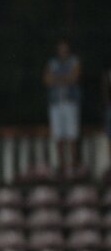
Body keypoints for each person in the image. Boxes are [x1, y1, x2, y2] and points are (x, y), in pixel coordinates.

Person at [43, 38, 82, 174]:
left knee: (72, 134)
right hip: (56, 103)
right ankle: (61, 166)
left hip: (70, 102)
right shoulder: (52, 62)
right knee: (58, 135)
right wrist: (65, 77)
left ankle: (74, 165)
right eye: (61, 48)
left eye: (65, 48)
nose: (63, 51)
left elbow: (74, 78)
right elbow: (47, 80)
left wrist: (56, 78)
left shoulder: (74, 61)